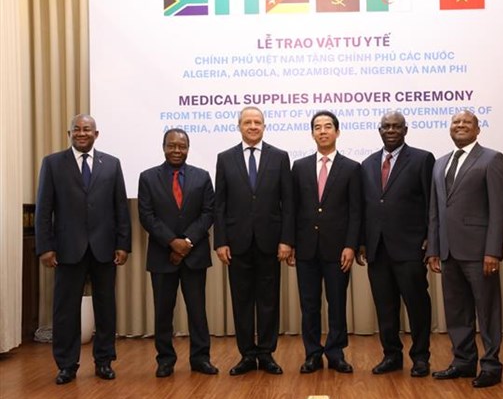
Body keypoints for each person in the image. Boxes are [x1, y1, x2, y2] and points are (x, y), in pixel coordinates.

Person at [35, 114, 131, 385]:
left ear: (96, 134)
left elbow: (120, 208)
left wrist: (123, 244)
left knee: (106, 307)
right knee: (65, 310)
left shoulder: (112, 164)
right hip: (66, 249)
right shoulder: (53, 163)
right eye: (76, 129)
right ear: (70, 133)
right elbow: (44, 209)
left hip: (104, 249)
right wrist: (45, 247)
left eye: (86, 129)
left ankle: (104, 361)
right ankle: (66, 365)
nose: (81, 133)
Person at [426, 109, 503, 388]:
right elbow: (435, 211)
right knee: (457, 311)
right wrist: (434, 248)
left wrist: (493, 251)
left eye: (466, 122)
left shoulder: (492, 159)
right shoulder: (440, 164)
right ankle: (463, 362)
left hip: (479, 252)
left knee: (487, 311)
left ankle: (491, 365)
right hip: (449, 252)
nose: (460, 125)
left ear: (477, 129)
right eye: (455, 122)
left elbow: (499, 210)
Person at [214, 106, 294, 375]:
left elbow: (288, 204)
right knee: (242, 301)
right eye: (247, 122)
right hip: (236, 244)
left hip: (270, 243)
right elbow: (220, 204)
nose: (252, 126)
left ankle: (267, 354)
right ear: (239, 126)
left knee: (269, 300)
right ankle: (247, 354)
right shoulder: (224, 158)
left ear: (264, 126)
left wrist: (286, 240)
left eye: (257, 122)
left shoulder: (280, 157)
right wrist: (220, 241)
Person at [357, 111, 435, 377]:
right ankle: (391, 355)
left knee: (417, 305)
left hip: (411, 247)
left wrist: (429, 238)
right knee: (385, 306)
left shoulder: (423, 159)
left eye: (396, 126)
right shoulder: (366, 164)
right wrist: (361, 242)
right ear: (379, 131)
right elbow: (363, 208)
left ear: (405, 130)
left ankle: (421, 357)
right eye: (386, 126)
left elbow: (430, 203)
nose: (391, 130)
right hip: (377, 249)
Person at [138, 128, 218, 378]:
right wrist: (172, 242)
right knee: (163, 311)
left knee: (197, 311)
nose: (176, 150)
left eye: (181, 146)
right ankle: (165, 360)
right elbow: (146, 216)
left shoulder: (202, 177)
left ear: (188, 148)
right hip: (162, 255)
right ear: (163, 147)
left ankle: (200, 358)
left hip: (194, 255)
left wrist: (186, 242)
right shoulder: (148, 177)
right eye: (172, 146)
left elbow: (208, 213)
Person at [289, 110, 362, 374]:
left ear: (337, 132)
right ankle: (312, 354)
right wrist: (291, 243)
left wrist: (351, 245)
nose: (322, 131)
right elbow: (292, 209)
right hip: (306, 248)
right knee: (309, 305)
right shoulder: (299, 167)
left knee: (337, 304)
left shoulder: (352, 168)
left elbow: (356, 211)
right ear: (312, 133)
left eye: (328, 126)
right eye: (317, 127)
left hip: (338, 250)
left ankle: (335, 352)